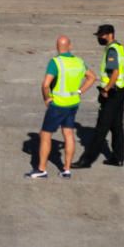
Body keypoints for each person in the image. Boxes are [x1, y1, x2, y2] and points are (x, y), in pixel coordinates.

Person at [25, 36, 96, 179]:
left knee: (45, 135)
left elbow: (45, 84)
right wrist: (80, 91)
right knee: (68, 134)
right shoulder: (79, 62)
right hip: (73, 103)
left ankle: (41, 169)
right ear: (70, 46)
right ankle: (66, 169)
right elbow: (92, 77)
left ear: (57, 47)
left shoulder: (55, 62)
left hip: (58, 104)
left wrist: (47, 98)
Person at [72, 24, 124, 169]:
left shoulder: (111, 50)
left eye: (101, 35)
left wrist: (107, 88)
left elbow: (115, 72)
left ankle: (86, 160)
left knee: (101, 128)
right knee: (116, 126)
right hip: (121, 90)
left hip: (112, 93)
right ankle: (118, 158)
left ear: (110, 34)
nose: (99, 38)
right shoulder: (119, 46)